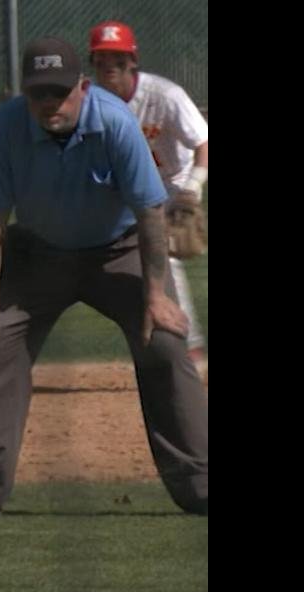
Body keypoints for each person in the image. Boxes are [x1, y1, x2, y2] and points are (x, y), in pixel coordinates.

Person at [0, 36, 208, 521]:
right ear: (25, 91)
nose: (50, 103)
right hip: (38, 254)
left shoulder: (113, 121)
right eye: (39, 92)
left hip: (120, 249)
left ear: (82, 86)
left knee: (167, 343)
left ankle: (200, 488)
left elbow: (150, 213)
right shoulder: (7, 126)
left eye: (60, 91)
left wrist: (155, 294)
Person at [88, 20, 210, 379]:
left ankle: (189, 346)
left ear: (133, 61)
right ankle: (183, 345)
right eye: (102, 58)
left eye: (118, 57)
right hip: (129, 193)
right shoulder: (92, 101)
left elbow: (204, 143)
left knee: (163, 259)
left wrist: (193, 187)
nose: (110, 64)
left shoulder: (164, 95)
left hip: (174, 187)